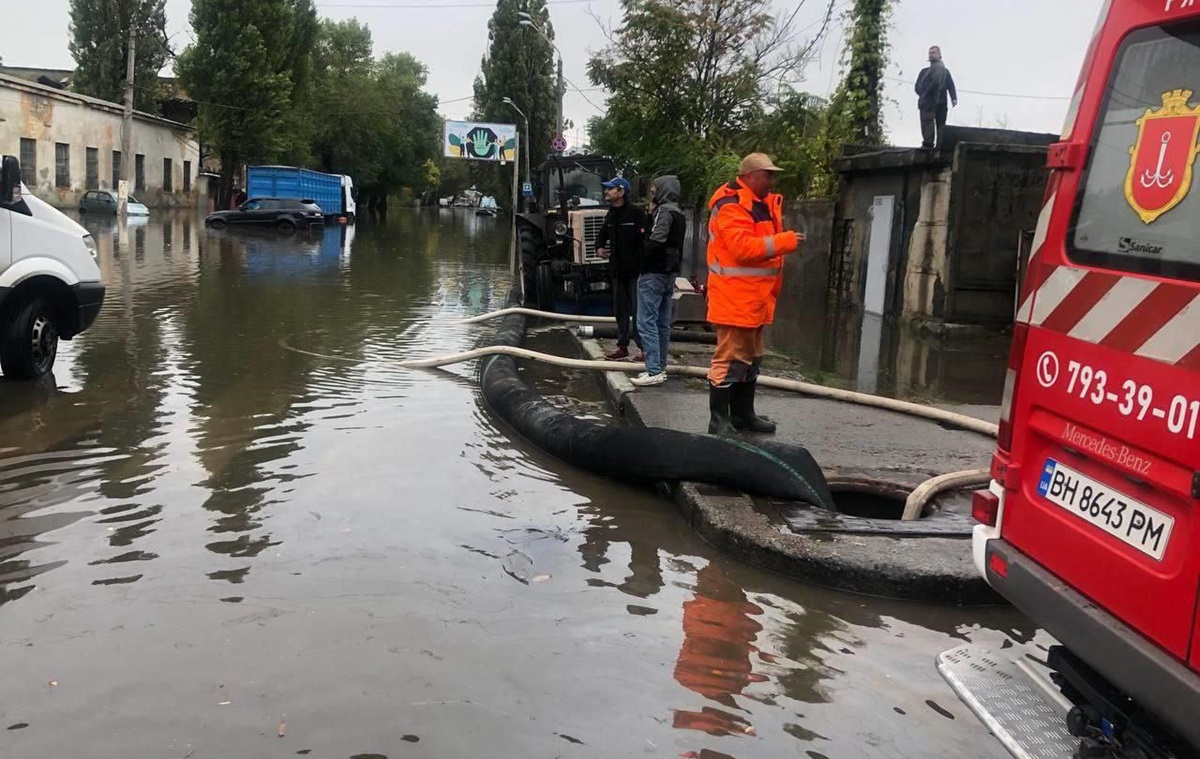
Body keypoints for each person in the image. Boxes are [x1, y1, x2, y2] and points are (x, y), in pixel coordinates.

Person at [705, 154, 803, 435]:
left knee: (752, 356)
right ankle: (719, 420)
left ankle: (742, 414)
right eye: (768, 174)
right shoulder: (731, 206)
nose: (773, 180)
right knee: (729, 358)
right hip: (734, 297)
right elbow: (743, 249)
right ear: (749, 176)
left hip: (755, 299)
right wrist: (785, 241)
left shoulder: (760, 205)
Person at [630, 176, 686, 387]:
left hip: (653, 273)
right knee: (662, 323)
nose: (652, 193)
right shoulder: (679, 213)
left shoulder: (664, 212)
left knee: (646, 321)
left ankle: (653, 369)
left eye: (655, 190)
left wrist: (639, 260)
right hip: (669, 273)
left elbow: (656, 241)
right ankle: (660, 367)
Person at [594, 177, 648, 361]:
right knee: (620, 310)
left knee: (638, 311)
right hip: (617, 271)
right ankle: (622, 347)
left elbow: (646, 241)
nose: (606, 192)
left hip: (635, 271)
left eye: (610, 189)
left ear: (621, 192)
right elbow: (602, 234)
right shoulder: (611, 214)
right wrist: (599, 247)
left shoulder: (636, 214)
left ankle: (643, 349)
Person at [916, 45, 958, 149]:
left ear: (939, 55)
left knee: (941, 125)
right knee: (927, 123)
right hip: (928, 102)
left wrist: (954, 98)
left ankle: (940, 145)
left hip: (941, 102)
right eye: (930, 53)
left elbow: (950, 84)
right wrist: (924, 95)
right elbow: (917, 86)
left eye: (934, 52)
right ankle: (928, 143)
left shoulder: (944, 71)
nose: (931, 55)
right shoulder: (924, 72)